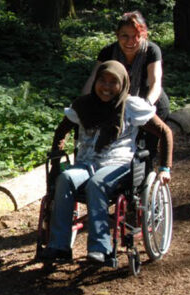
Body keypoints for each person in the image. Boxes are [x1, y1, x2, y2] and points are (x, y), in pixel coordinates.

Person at [39, 60, 173, 263]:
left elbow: (165, 132)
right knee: (65, 178)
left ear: (123, 84)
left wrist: (165, 168)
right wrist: (56, 160)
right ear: (95, 81)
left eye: (113, 82)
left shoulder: (131, 106)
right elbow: (61, 132)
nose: (106, 87)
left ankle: (100, 248)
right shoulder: (83, 105)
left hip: (118, 164)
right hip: (86, 163)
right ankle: (59, 246)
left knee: (96, 184)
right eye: (102, 80)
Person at [82, 10, 169, 120]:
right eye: (125, 36)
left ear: (143, 35)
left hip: (151, 105)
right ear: (117, 35)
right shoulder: (108, 52)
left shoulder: (152, 51)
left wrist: (145, 106)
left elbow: (155, 83)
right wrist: (82, 104)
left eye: (136, 36)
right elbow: (93, 80)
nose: (130, 41)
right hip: (117, 105)